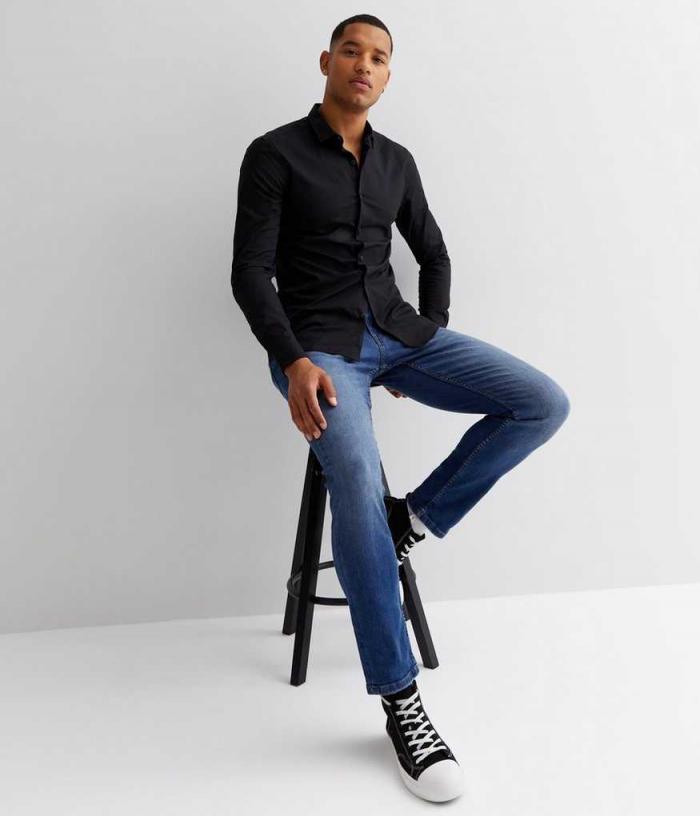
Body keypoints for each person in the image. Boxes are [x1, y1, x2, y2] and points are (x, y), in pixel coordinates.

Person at [231, 14, 570, 803]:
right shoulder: (274, 155)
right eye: (352, 51)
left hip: (399, 336)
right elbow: (249, 274)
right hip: (319, 351)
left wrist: (429, 334)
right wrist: (294, 361)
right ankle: (401, 701)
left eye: (379, 57)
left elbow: (434, 252)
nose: (365, 64)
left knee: (541, 403)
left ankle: (409, 520)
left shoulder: (397, 162)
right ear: (327, 61)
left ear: (388, 76)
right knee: (353, 472)